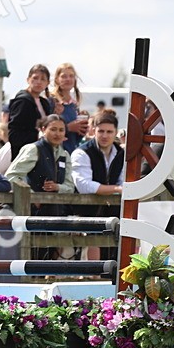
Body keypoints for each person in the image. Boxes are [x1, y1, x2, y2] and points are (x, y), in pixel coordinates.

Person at [71, 111, 124, 259]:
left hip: (112, 209)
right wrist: (116, 189)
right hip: (84, 209)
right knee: (92, 239)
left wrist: (118, 188)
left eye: (109, 132)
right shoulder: (81, 152)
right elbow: (84, 186)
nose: (105, 135)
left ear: (115, 133)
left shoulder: (121, 154)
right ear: (93, 130)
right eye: (101, 131)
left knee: (113, 246)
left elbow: (122, 180)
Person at [7, 114, 75, 216]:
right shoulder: (33, 149)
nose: (57, 134)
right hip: (31, 213)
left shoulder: (65, 155)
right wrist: (33, 197)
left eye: (61, 130)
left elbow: (70, 187)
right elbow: (12, 176)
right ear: (43, 129)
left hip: (58, 214)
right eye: (53, 129)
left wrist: (57, 187)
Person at [6, 64, 56, 158]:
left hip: (41, 153)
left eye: (42, 79)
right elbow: (14, 134)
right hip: (25, 154)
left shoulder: (44, 103)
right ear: (28, 79)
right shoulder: (22, 101)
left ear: (47, 83)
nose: (38, 82)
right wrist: (39, 136)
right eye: (35, 78)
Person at [49, 63, 89, 153]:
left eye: (71, 76)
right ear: (57, 79)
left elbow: (74, 138)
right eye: (64, 76)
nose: (68, 79)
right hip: (54, 153)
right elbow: (47, 130)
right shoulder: (52, 102)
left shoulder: (74, 105)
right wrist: (68, 127)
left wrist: (82, 129)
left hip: (70, 153)